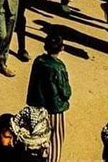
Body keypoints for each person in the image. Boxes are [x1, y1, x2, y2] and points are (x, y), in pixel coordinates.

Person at [26, 30, 71, 162]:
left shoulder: (38, 61)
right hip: (54, 108)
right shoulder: (59, 67)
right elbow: (65, 92)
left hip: (37, 105)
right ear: (61, 48)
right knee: (56, 136)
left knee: (38, 134)